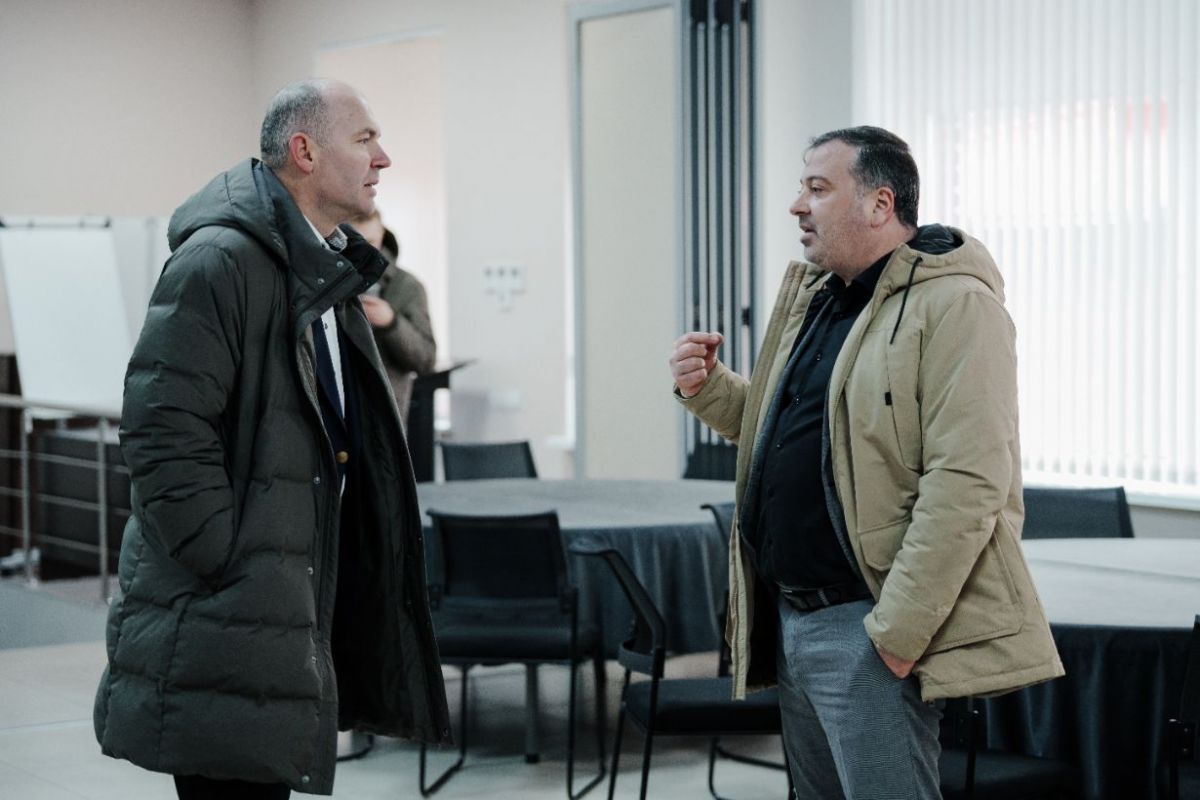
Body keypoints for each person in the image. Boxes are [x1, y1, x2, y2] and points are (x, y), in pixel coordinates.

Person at [668, 126, 1064, 798]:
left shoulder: (958, 307)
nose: (798, 205)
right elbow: (792, 435)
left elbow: (967, 483)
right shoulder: (823, 301)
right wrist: (710, 390)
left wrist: (896, 634)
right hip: (794, 618)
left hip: (868, 626)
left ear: (880, 204)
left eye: (818, 188)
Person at [93, 79, 451, 799]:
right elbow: (161, 428)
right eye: (365, 139)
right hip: (228, 607)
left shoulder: (322, 270)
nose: (383, 158)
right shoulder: (220, 261)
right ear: (305, 152)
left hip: (279, 606)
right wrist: (224, 556)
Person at [347, 210, 436, 422]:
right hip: (336, 412)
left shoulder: (407, 286)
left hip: (386, 414)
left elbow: (426, 359)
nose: (364, 250)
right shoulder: (323, 280)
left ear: (382, 236)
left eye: (371, 242)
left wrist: (391, 323)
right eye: (356, 242)